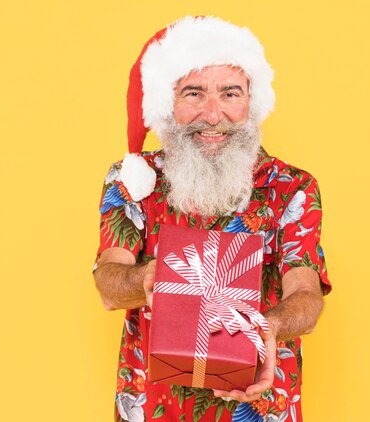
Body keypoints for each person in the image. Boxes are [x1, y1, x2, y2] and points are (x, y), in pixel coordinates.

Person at [93, 16, 331, 422]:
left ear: (250, 103)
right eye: (194, 93)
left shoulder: (291, 188)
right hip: (152, 405)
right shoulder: (135, 180)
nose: (213, 114)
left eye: (230, 93)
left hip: (258, 403)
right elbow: (108, 284)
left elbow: (306, 294)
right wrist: (146, 277)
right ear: (169, 103)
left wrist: (268, 327)